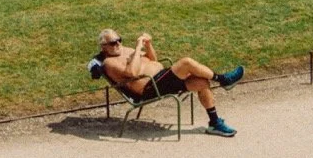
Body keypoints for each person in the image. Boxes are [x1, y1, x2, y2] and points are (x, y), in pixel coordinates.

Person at [92, 29, 243, 137]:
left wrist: (148, 45)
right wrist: (138, 48)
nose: (118, 44)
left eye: (119, 40)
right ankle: (224, 80)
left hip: (161, 80)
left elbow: (154, 60)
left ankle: (215, 123)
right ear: (103, 47)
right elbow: (132, 74)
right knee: (186, 62)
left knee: (201, 81)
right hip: (149, 88)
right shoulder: (109, 63)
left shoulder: (127, 50)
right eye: (113, 43)